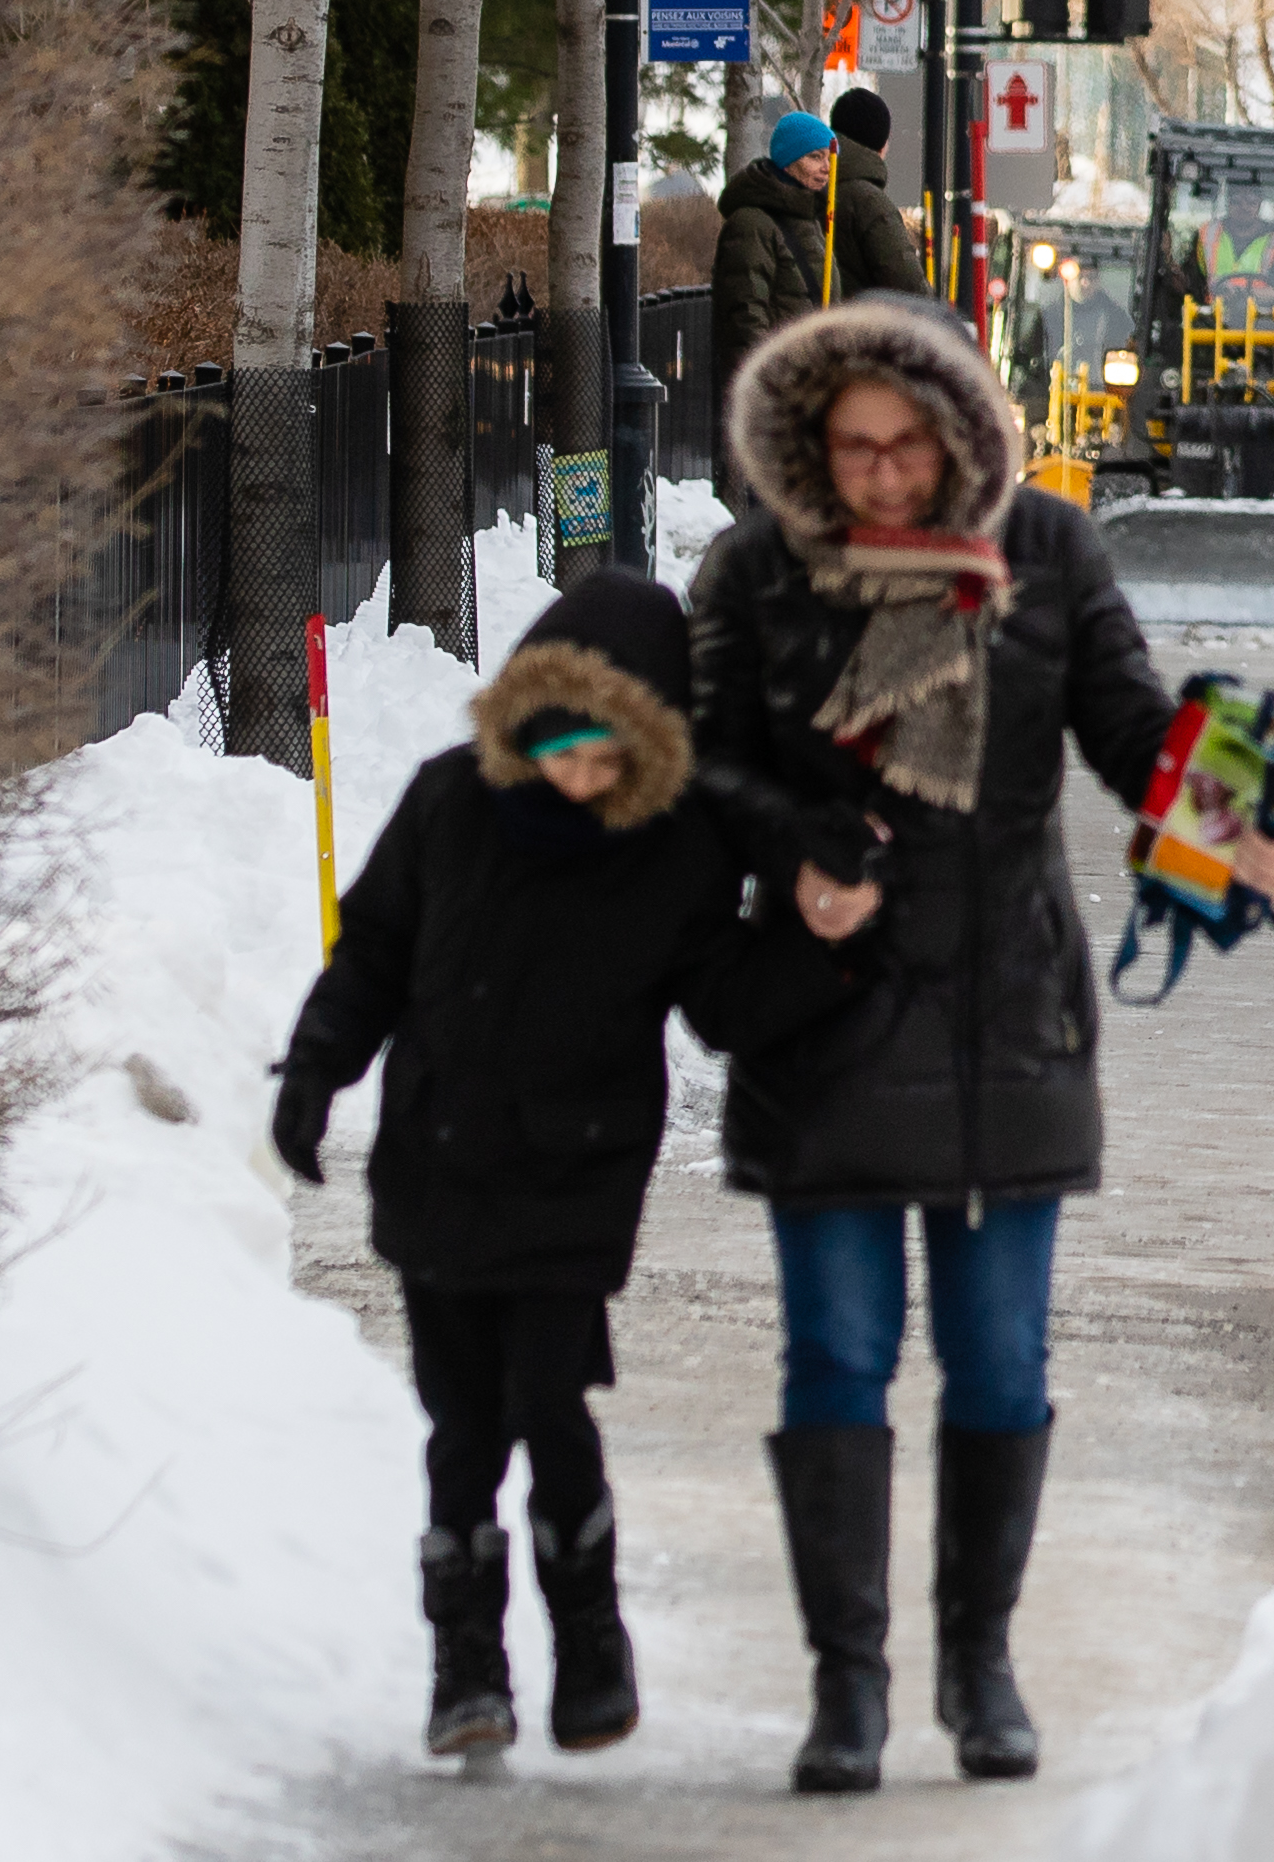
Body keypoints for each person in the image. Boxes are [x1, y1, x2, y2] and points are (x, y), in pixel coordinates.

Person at [693, 296, 1237, 1793]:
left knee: (998, 1365)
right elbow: (704, 754)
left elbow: (1127, 728)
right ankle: (847, 1689)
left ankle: (979, 1662)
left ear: (960, 432)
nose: (877, 476)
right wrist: (797, 838)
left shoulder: (1048, 552)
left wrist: (1236, 794)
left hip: (1008, 1016)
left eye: (904, 445)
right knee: (837, 1362)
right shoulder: (758, 567)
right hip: (830, 1020)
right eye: (849, 446)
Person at [271, 573, 869, 1763]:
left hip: (576, 1177)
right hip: (439, 1164)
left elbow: (726, 1000)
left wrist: (827, 944)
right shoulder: (449, 803)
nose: (580, 778)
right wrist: (312, 1072)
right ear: (524, 721)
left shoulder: (671, 847)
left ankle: (591, 1642)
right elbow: (376, 949)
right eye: (561, 749)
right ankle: (467, 1665)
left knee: (548, 1404)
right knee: (459, 1428)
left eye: (609, 758)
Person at [711, 111, 840, 449]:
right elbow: (745, 311)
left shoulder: (809, 217)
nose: (825, 167)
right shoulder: (753, 223)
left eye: (827, 157)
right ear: (787, 160)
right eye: (814, 157)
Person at [824, 88, 929, 303]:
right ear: (882, 144)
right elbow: (910, 288)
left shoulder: (810, 185)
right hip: (859, 330)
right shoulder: (869, 203)